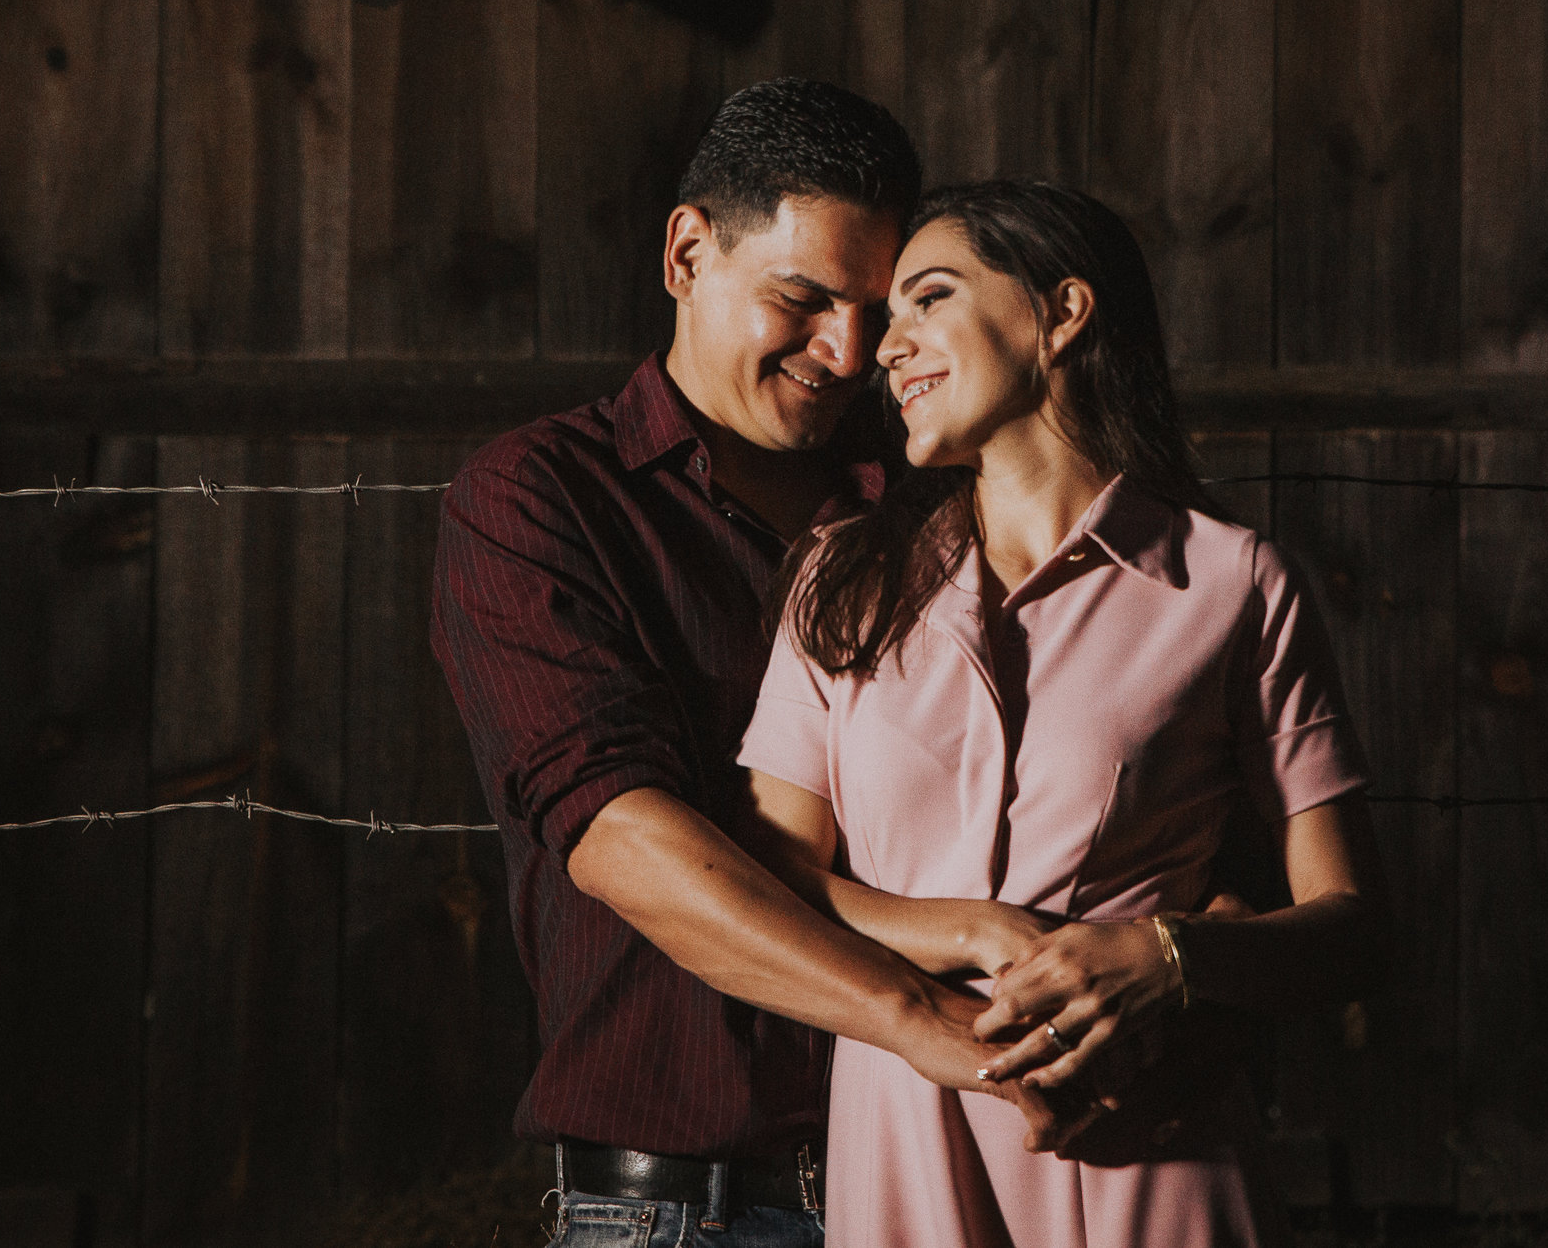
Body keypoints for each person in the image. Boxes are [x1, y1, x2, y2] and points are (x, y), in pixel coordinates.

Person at [432, 83, 1101, 1248]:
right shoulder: (539, 501)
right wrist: (919, 1015)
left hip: (962, 1177)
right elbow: (622, 839)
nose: (846, 352)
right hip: (686, 1211)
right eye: (800, 299)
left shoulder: (945, 509)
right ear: (687, 252)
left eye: (876, 309)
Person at [738, 180, 1387, 1246]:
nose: (883, 349)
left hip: (1154, 1146)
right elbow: (772, 877)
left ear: (1062, 312)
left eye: (927, 299)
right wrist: (965, 930)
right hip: (907, 1134)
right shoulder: (838, 580)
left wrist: (1166, 957)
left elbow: (1355, 927)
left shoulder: (1233, 582)